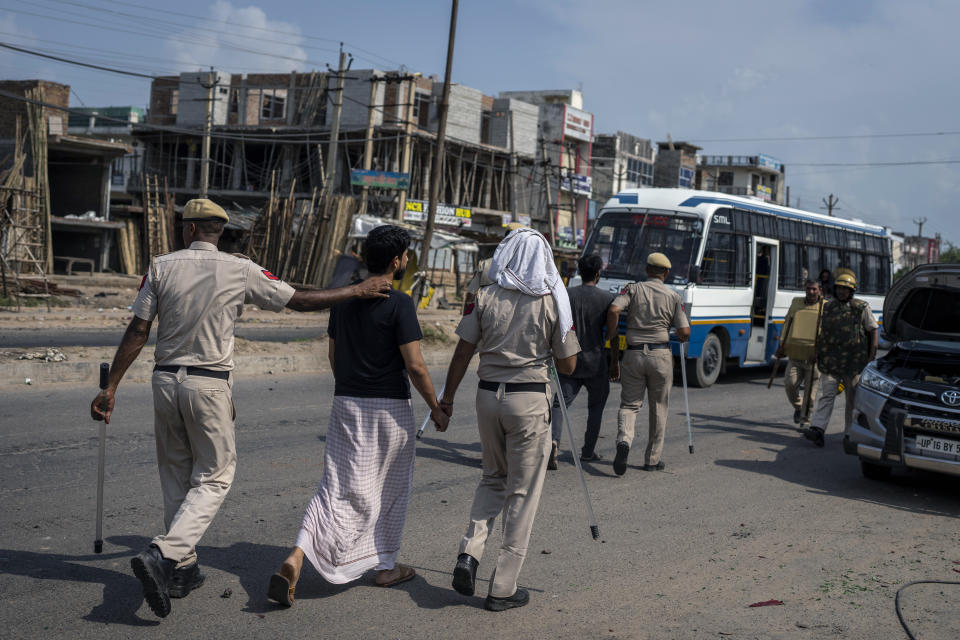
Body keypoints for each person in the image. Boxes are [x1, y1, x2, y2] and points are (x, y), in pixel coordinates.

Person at [89, 198, 391, 619]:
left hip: (164, 380)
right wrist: (358, 289)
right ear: (218, 231)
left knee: (177, 472)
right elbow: (300, 300)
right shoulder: (239, 268)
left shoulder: (160, 266)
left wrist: (112, 387)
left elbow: (138, 329)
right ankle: (165, 554)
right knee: (214, 477)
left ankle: (182, 568)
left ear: (189, 229)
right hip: (208, 384)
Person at [268, 225, 449, 607]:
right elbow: (415, 366)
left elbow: (334, 357)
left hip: (347, 404)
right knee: (389, 490)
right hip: (389, 411)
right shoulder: (400, 304)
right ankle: (385, 566)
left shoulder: (344, 300)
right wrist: (435, 406)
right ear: (397, 261)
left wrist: (352, 387)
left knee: (334, 488)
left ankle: (297, 555)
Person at [440, 228, 580, 612]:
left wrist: (447, 398)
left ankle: (469, 553)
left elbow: (463, 349)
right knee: (522, 493)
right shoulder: (552, 301)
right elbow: (568, 365)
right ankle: (502, 587)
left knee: (492, 477)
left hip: (488, 396)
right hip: (529, 402)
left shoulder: (484, 294)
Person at [607, 252, 691, 476]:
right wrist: (680, 335)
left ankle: (624, 440)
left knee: (629, 405)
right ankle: (652, 459)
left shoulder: (632, 289)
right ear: (666, 273)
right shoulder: (673, 296)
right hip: (660, 356)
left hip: (633, 354)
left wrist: (613, 336)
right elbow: (684, 332)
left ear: (646, 270)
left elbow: (614, 309)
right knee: (659, 407)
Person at [548, 253, 615, 468]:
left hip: (570, 359)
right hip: (596, 363)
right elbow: (612, 335)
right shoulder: (607, 299)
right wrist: (615, 361)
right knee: (595, 408)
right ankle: (587, 451)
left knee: (559, 405)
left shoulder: (567, 295)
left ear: (579, 271)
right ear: (598, 274)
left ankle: (553, 443)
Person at [802, 269, 878, 447]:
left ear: (852, 290)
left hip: (854, 364)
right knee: (826, 396)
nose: (841, 291)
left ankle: (850, 434)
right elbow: (820, 332)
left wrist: (871, 356)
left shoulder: (861, 307)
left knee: (852, 400)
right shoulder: (828, 307)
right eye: (839, 288)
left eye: (845, 288)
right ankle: (817, 430)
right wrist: (816, 351)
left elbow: (873, 330)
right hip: (830, 361)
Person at [775, 280, 823, 426]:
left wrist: (820, 351)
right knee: (790, 384)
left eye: (814, 289)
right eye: (808, 289)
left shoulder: (825, 307)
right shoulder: (796, 303)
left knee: (810, 393)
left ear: (819, 290)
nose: (811, 292)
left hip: (814, 359)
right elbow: (787, 324)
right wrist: (781, 345)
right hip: (795, 355)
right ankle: (799, 407)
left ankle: (805, 421)